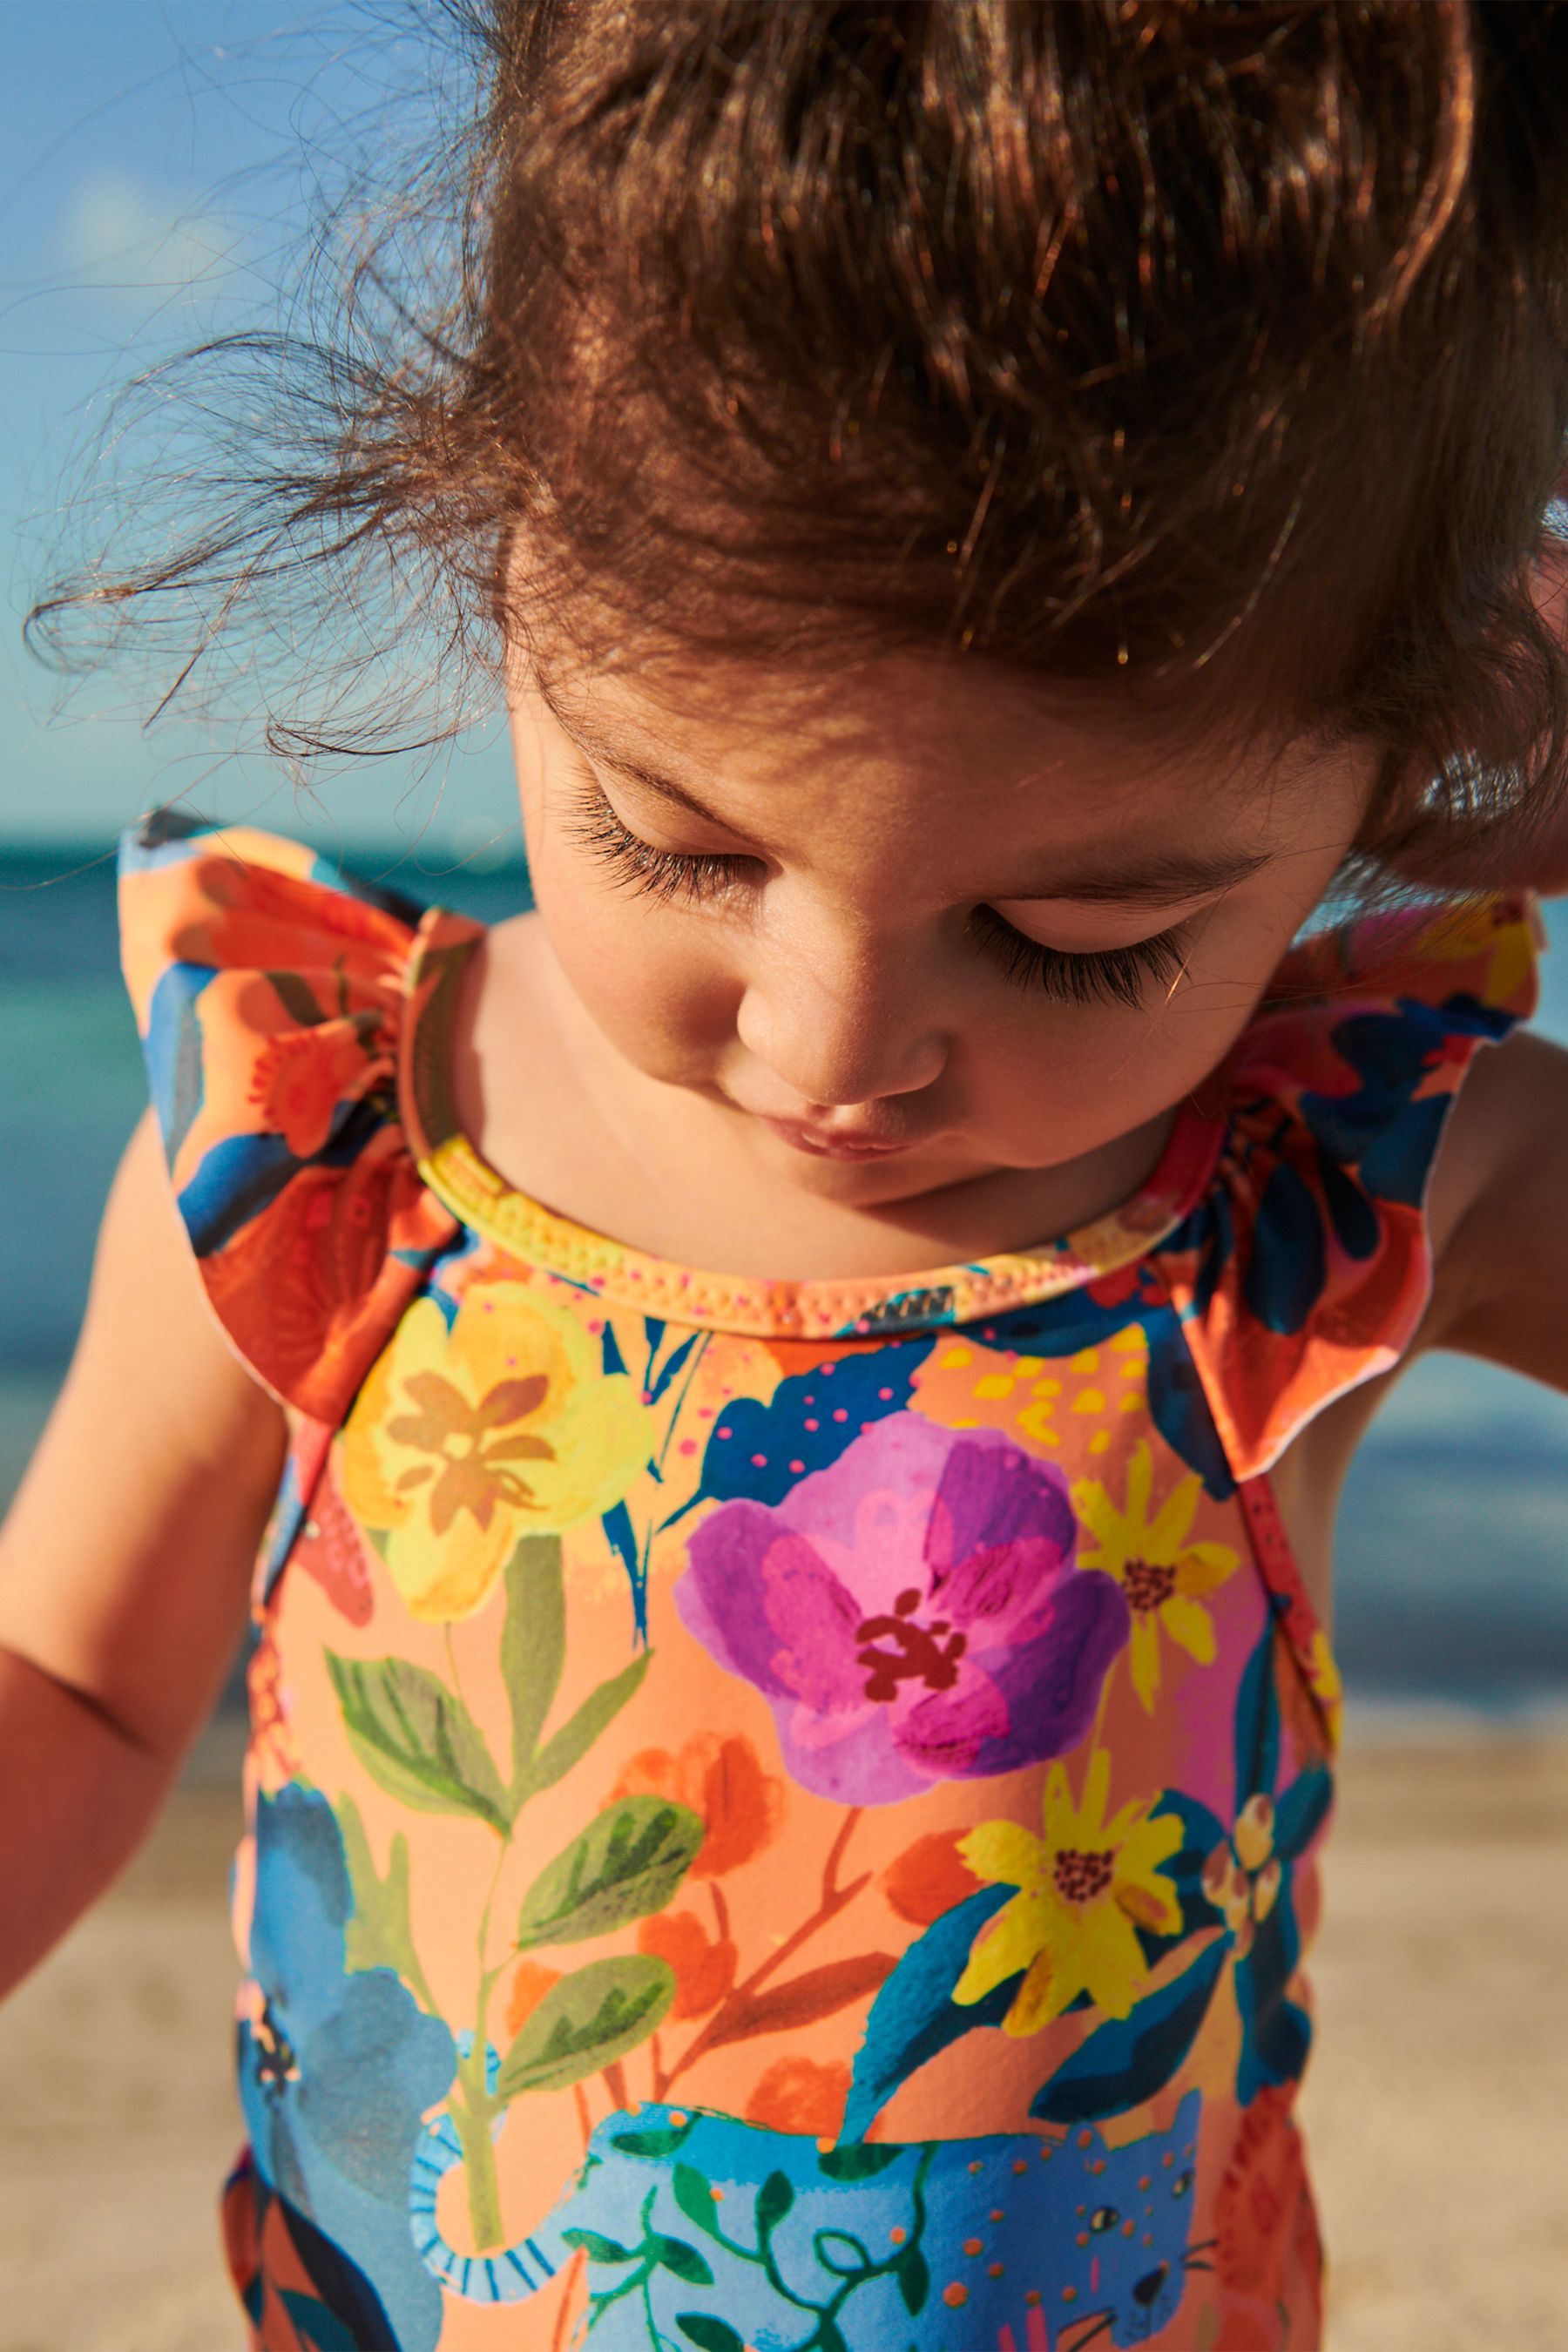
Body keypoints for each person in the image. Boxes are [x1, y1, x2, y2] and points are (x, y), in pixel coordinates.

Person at [5, 4, 1568, 2346]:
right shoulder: (319, 1152)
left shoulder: (1327, 1183)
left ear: (1388, 784)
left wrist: (1495, 706)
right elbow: (74, 1681)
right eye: (680, 834)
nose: (834, 1045)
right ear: (495, 543)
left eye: (1084, 933)